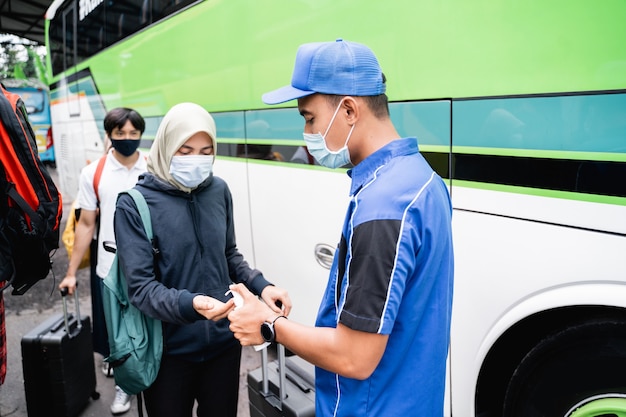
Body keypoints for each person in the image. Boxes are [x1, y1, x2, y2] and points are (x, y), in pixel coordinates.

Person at [228, 39, 454, 416]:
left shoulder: (383, 205)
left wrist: (269, 324)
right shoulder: (422, 179)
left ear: (349, 109)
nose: (307, 133)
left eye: (309, 117)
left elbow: (355, 357)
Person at [112, 102, 292, 417]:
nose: (197, 159)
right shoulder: (134, 205)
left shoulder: (218, 190)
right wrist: (191, 304)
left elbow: (229, 255)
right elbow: (140, 288)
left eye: (206, 150)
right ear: (166, 147)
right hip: (168, 352)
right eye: (185, 150)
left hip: (225, 343)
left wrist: (263, 286)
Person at [59, 107, 147, 415]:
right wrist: (71, 272)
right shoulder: (94, 173)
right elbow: (86, 225)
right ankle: (124, 387)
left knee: (150, 325)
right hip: (109, 265)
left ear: (140, 134)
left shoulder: (152, 167)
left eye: (133, 134)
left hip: (149, 266)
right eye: (120, 134)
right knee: (116, 333)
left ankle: (150, 376)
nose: (127, 139)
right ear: (108, 135)